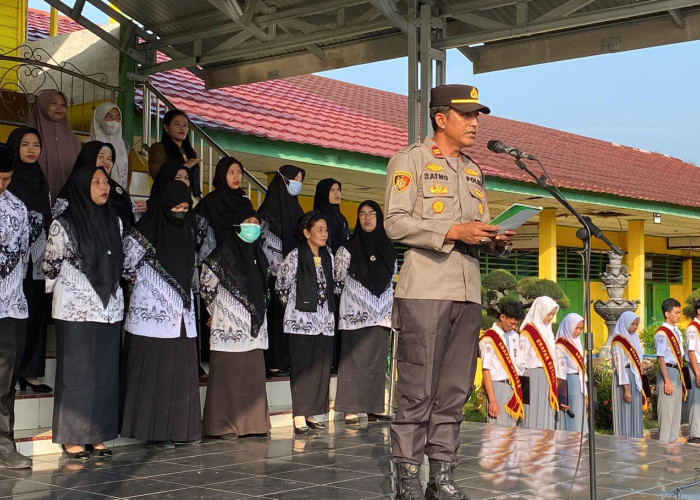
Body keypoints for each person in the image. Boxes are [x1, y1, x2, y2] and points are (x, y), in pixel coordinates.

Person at [383, 84, 514, 500]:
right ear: (441, 119)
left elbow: (478, 227)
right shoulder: (411, 160)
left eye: (478, 116)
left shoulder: (474, 171)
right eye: (467, 115)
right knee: (418, 388)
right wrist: (453, 231)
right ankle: (407, 476)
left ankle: (442, 476)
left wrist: (492, 240)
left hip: (467, 290)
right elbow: (395, 223)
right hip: (425, 289)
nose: (476, 123)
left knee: (454, 390)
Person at [43, 167, 124, 459]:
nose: (104, 187)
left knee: (103, 373)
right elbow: (50, 264)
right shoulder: (63, 224)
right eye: (96, 182)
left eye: (106, 182)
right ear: (81, 186)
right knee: (77, 375)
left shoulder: (114, 221)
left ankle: (97, 435)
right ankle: (72, 437)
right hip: (75, 308)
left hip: (109, 308)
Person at [120, 181, 203, 446]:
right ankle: (155, 432)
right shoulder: (143, 232)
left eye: (185, 207)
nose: (180, 212)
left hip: (181, 317)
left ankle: (180, 430)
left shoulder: (187, 231)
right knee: (155, 375)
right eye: (176, 207)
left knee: (178, 375)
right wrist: (139, 279)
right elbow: (124, 264)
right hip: (152, 314)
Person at [201, 208, 271, 438]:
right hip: (228, 323)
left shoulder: (260, 255)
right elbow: (206, 285)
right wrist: (216, 312)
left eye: (256, 222)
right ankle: (223, 426)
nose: (253, 226)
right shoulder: (224, 253)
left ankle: (253, 425)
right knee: (228, 375)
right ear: (238, 226)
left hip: (254, 327)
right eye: (248, 221)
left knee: (251, 374)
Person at [333, 201, 396, 424]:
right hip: (355, 312)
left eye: (371, 214)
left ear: (379, 218)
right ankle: (351, 408)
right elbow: (338, 278)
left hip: (381, 314)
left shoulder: (388, 248)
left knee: (376, 362)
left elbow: (392, 278)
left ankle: (375, 407)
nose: (367, 218)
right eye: (362, 214)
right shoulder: (347, 248)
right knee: (354, 360)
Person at [275, 211, 335, 434]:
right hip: (300, 321)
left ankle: (311, 413)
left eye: (326, 229)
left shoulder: (328, 254)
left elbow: (334, 284)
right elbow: (281, 285)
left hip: (324, 321)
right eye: (319, 229)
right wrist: (293, 307)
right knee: (302, 368)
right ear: (306, 233)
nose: (324, 233)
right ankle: (299, 414)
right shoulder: (295, 255)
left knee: (319, 369)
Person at [5, 127, 52, 393]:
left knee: (35, 313)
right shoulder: (7, 179)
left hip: (38, 260)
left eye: (36, 144)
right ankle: (11, 370)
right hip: (11, 263)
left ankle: (30, 371)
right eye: (25, 144)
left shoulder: (40, 179)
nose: (32, 149)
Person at [0, 143, 33, 469]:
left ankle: (4, 446)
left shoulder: (17, 209)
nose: (1, 185)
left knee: (4, 381)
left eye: (7, 179)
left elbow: (21, 254)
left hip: (9, 307)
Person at [258, 165, 306, 377]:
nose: (298, 183)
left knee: (290, 319)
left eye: (300, 179)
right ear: (283, 180)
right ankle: (273, 361)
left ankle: (288, 360)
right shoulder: (266, 213)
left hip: (294, 280)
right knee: (274, 318)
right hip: (271, 277)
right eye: (294, 178)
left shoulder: (298, 211)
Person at [55, 141, 140, 230]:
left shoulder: (115, 188)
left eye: (109, 158)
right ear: (89, 157)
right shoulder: (75, 188)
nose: (106, 161)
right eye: (100, 156)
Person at [28, 89, 81, 202]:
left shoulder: (73, 139)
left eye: (63, 104)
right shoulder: (28, 137)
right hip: (35, 202)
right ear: (43, 104)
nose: (59, 107)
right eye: (53, 103)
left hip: (67, 205)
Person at [479, 300, 525, 427]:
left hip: (513, 387)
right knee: (496, 433)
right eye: (512, 323)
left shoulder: (514, 336)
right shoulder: (489, 337)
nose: (514, 327)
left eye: (516, 324)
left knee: (511, 433)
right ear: (502, 317)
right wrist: (492, 400)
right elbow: (486, 370)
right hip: (497, 386)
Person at [517, 296, 560, 431]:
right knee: (533, 410)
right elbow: (521, 359)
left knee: (545, 410)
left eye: (553, 314)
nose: (551, 317)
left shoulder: (548, 331)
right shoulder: (528, 331)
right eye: (549, 314)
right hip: (532, 376)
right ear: (541, 311)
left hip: (547, 376)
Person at [195, 156, 253, 245]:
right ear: (222, 174)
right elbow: (198, 230)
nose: (236, 177)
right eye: (231, 173)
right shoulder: (210, 201)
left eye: (239, 172)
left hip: (239, 253)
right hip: (212, 254)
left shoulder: (244, 202)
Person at [147, 109, 202, 197]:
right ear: (166, 127)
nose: (182, 128)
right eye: (177, 124)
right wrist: (184, 166)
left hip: (184, 198)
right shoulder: (159, 148)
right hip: (165, 197)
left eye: (185, 125)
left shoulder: (190, 152)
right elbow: (157, 175)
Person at [611, 311, 646, 438]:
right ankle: (623, 443)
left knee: (635, 412)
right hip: (623, 378)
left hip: (634, 376)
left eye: (636, 324)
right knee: (624, 411)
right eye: (632, 324)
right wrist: (626, 389)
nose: (635, 327)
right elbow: (620, 365)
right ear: (625, 323)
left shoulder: (634, 338)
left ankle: (635, 440)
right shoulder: (618, 341)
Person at [655, 298, 685, 443]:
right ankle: (663, 444)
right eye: (676, 313)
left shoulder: (676, 331)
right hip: (667, 371)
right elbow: (660, 358)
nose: (678, 315)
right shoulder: (662, 333)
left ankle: (673, 442)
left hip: (676, 371)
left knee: (675, 411)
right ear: (667, 313)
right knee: (666, 412)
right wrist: (667, 380)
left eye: (679, 313)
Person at [555, 313, 587, 433]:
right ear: (568, 326)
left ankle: (581, 440)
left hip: (579, 381)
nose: (578, 331)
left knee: (580, 414)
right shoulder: (561, 345)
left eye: (581, 328)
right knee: (572, 414)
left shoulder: (578, 342)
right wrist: (562, 396)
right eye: (576, 328)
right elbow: (560, 371)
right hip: (569, 382)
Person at [90, 102, 128, 188]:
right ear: (99, 118)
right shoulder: (87, 147)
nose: (114, 122)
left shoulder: (124, 148)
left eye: (118, 118)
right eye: (109, 116)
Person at [313, 178, 349, 254]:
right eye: (332, 190)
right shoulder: (316, 217)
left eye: (338, 189)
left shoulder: (342, 219)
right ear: (324, 193)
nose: (337, 193)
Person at [685, 300, 700, 444]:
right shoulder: (693, 329)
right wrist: (697, 373)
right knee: (696, 399)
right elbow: (691, 352)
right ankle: (695, 434)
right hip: (697, 366)